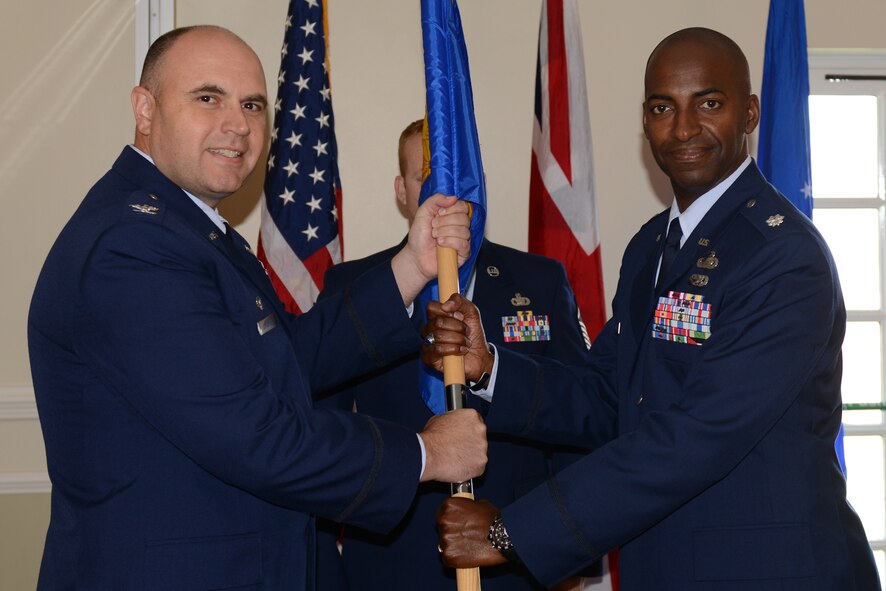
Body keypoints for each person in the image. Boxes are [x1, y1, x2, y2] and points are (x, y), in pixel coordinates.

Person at [27, 25, 488, 591]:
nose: (238, 124)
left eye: (252, 105)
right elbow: (258, 436)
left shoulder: (189, 230)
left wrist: (411, 268)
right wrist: (425, 452)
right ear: (144, 109)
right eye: (207, 97)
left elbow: (285, 360)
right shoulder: (132, 247)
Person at [427, 27, 881, 590]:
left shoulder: (785, 257)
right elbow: (609, 396)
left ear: (750, 113)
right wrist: (490, 366)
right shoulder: (651, 247)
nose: (685, 128)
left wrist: (513, 532)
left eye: (709, 103)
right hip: (667, 566)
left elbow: (696, 436)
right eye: (664, 107)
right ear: (645, 122)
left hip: (771, 573)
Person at [314, 119, 594, 590]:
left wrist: (566, 554)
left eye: (457, 174)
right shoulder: (354, 290)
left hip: (516, 560)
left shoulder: (541, 281)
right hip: (388, 565)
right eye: (427, 176)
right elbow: (322, 437)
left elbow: (579, 424)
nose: (445, 191)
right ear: (402, 191)